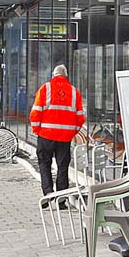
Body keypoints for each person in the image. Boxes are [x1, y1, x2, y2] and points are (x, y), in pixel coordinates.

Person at [29, 64, 85, 208]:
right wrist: (72, 132)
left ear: (53, 75)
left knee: (44, 163)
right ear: (65, 76)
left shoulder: (45, 88)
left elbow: (35, 112)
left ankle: (48, 194)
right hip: (64, 138)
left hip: (46, 135)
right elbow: (80, 117)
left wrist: (36, 130)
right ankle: (61, 200)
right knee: (63, 166)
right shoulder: (74, 92)